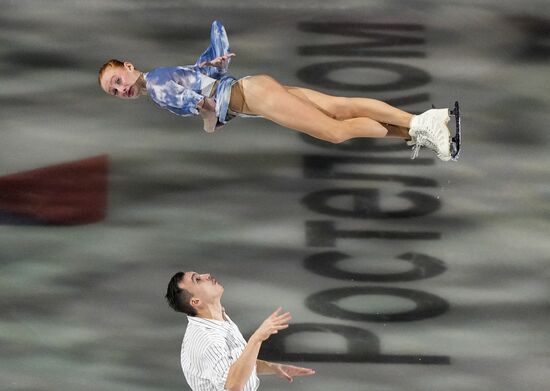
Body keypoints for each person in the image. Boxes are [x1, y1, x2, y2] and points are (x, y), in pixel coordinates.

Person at [99, 20, 454, 161]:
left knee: (335, 131)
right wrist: (214, 66)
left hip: (257, 97)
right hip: (255, 87)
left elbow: (206, 107)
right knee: (340, 108)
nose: (120, 90)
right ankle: (423, 123)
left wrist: (210, 127)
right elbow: (205, 75)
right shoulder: (161, 75)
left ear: (128, 67)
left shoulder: (158, 87)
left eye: (117, 80)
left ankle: (422, 127)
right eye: (113, 92)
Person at [165, 271, 316, 391]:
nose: (206, 275)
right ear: (196, 302)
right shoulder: (208, 339)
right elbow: (233, 385)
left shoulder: (217, 318)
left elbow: (235, 362)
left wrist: (274, 368)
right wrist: (257, 338)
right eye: (197, 280)